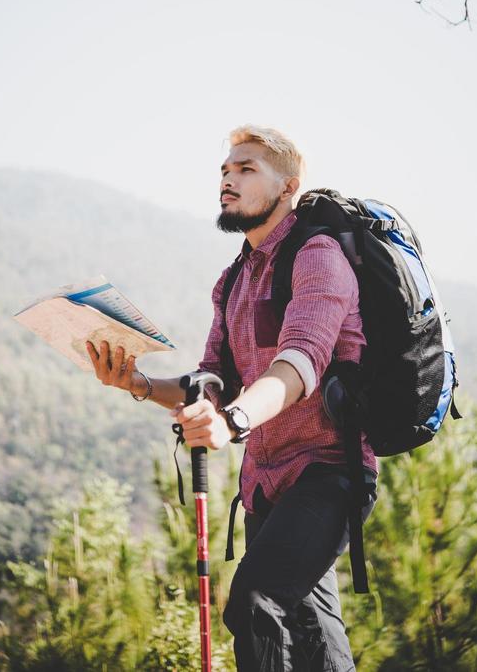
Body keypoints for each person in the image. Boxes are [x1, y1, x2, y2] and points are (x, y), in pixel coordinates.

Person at [86, 124, 377, 671]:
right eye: (225, 169)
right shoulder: (234, 279)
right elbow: (212, 377)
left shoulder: (317, 257)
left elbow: (300, 362)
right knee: (316, 641)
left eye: (246, 170)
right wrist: (139, 384)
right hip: (266, 489)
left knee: (253, 602)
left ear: (287, 187)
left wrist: (234, 421)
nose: (228, 178)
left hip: (329, 474)